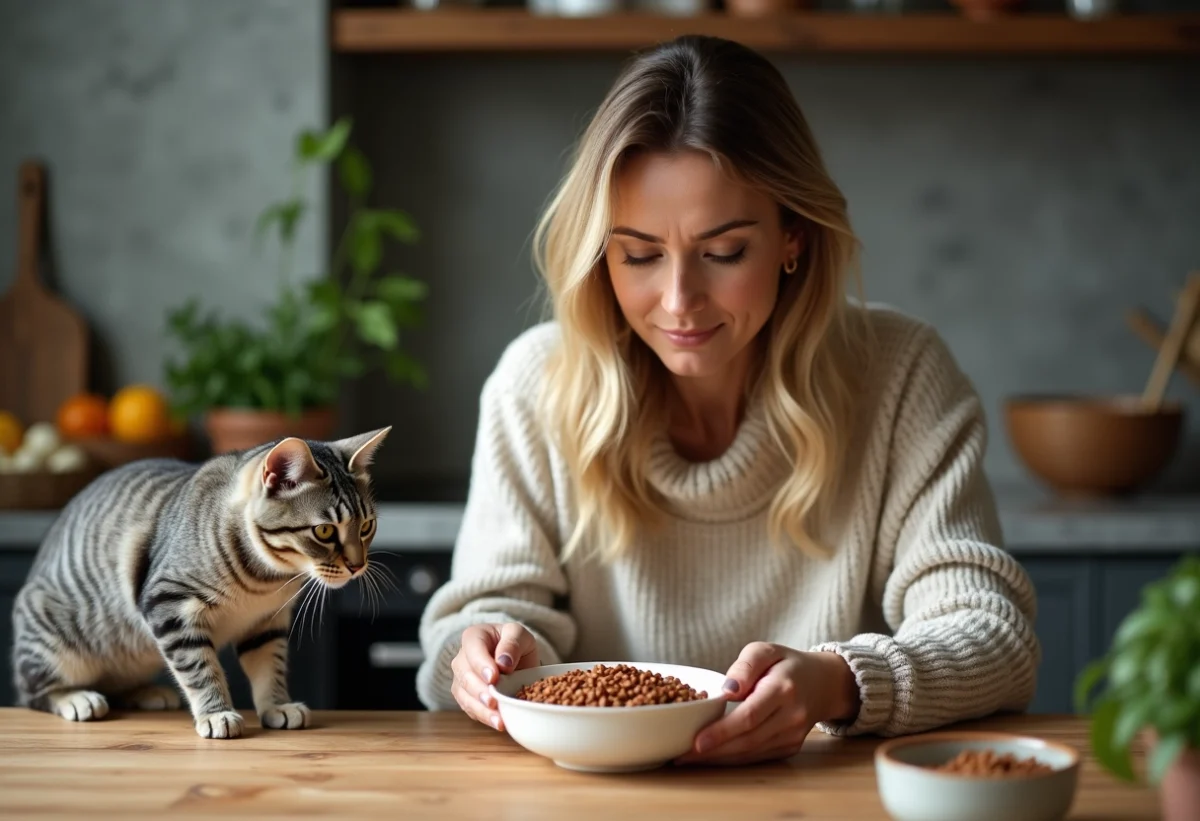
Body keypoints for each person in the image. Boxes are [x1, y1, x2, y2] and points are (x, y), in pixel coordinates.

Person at [415, 34, 1040, 766]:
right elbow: (467, 641)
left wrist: (838, 683)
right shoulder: (536, 384)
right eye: (639, 255)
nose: (679, 300)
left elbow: (994, 635)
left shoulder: (901, 375)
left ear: (792, 238)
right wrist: (485, 649)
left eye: (724, 252)